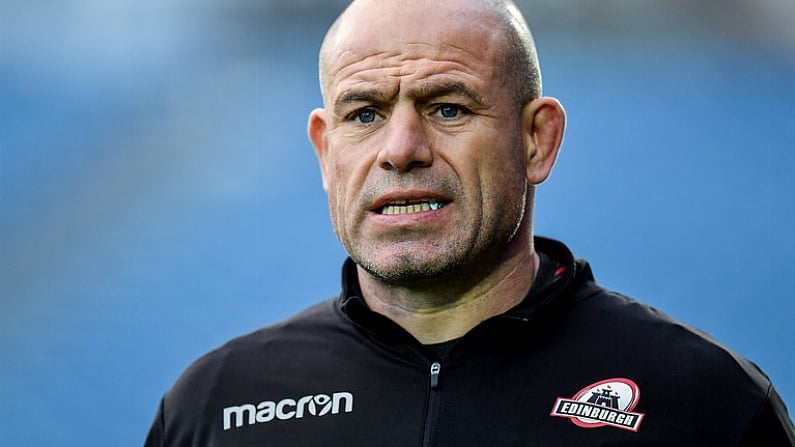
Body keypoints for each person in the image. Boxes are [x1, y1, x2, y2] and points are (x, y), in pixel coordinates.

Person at [144, 0, 795, 445]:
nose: (401, 148)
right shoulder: (214, 405)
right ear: (323, 149)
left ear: (537, 139)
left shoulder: (703, 401)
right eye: (364, 114)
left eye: (448, 108)